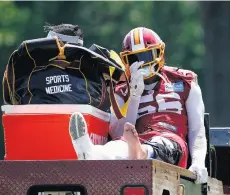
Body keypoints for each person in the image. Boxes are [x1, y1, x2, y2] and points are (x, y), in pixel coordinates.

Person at [68, 27, 208, 184]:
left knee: (159, 144)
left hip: (171, 142)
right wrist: (134, 97)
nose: (142, 63)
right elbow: (118, 133)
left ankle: (141, 152)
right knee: (118, 146)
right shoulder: (122, 90)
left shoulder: (184, 80)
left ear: (160, 52)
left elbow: (197, 129)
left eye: (147, 55)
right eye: (134, 59)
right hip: (136, 140)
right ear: (126, 61)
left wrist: (198, 162)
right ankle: (90, 154)